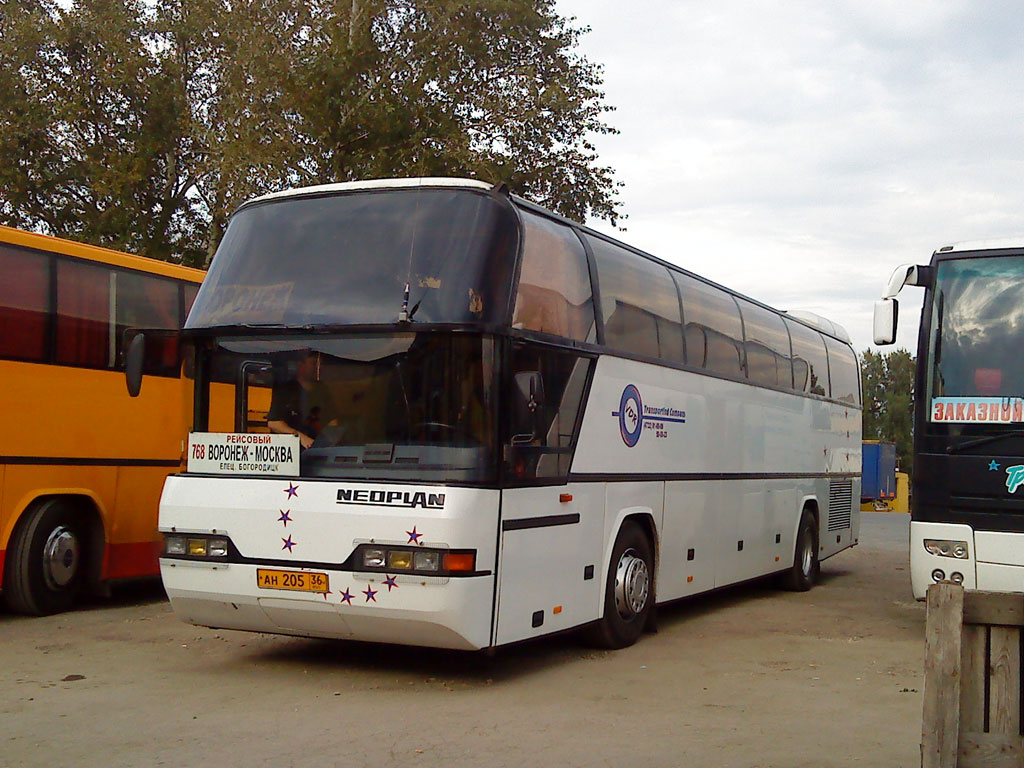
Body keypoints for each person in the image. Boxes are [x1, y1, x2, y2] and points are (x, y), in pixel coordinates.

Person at [267, 350, 338, 449]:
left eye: (320, 364)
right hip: (289, 453)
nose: (318, 368)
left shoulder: (323, 390)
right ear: (300, 364)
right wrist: (300, 437)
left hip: (318, 453)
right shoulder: (285, 389)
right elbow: (274, 423)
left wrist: (330, 440)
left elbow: (332, 421)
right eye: (314, 364)